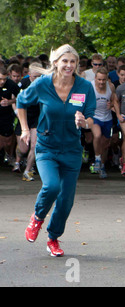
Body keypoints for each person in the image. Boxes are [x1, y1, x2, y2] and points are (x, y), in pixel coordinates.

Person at [17, 44, 96, 257]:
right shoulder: (43, 84)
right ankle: (37, 218)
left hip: (71, 149)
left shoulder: (84, 87)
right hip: (47, 146)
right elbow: (21, 102)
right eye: (65, 61)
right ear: (56, 63)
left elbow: (90, 117)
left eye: (72, 62)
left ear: (77, 65)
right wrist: (25, 128)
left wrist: (84, 121)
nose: (68, 65)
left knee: (66, 199)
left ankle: (53, 238)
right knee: (52, 186)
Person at [12, 63, 43, 181]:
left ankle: (27, 170)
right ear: (29, 74)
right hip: (24, 117)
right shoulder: (23, 84)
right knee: (23, 149)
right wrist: (16, 112)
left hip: (37, 117)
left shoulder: (44, 85)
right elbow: (15, 99)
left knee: (35, 145)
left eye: (39, 77)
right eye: (34, 77)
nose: (36, 79)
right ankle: (18, 158)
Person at [91, 67, 123, 179]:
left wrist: (117, 113)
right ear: (95, 78)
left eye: (103, 80)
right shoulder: (90, 86)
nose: (101, 82)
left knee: (105, 144)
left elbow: (114, 100)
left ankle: (102, 166)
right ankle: (97, 159)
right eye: (99, 79)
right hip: (95, 116)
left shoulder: (111, 86)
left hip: (107, 117)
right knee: (97, 135)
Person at [0, 67, 20, 167]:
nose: (2, 81)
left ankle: (9, 154)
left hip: (6, 116)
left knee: (7, 141)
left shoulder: (11, 85)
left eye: (4, 79)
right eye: (0, 79)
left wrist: (9, 102)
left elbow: (19, 98)